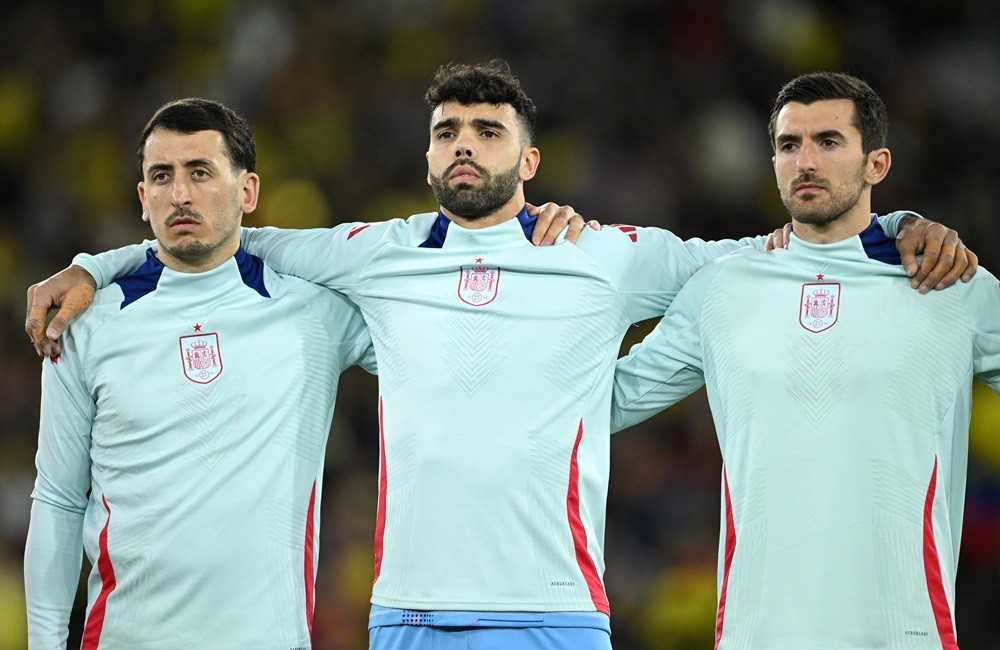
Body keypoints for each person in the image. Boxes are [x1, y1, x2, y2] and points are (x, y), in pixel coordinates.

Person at [25, 61, 976, 649]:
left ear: (529, 161)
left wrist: (894, 227)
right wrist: (91, 265)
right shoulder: (374, 254)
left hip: (556, 612)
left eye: (489, 132)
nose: (464, 145)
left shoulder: (603, 253)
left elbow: (774, 253)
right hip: (405, 613)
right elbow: (222, 236)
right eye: (447, 132)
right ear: (429, 158)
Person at [610, 72, 1000, 648]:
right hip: (756, 632)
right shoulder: (722, 289)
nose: (805, 161)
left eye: (829, 142)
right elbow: (607, 400)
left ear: (877, 165)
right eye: (789, 145)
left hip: (901, 631)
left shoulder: (949, 282)